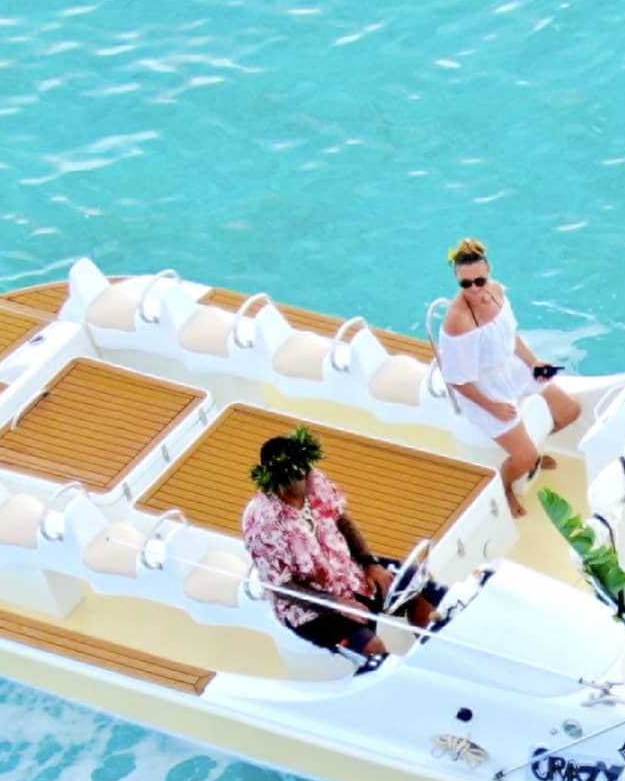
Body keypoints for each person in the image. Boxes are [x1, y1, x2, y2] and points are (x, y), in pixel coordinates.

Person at [241, 426, 444, 664]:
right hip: (309, 608)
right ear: (280, 481)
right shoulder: (263, 522)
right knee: (374, 648)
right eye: (301, 474)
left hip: (350, 573)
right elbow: (282, 586)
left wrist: (370, 563)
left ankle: (434, 654)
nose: (310, 476)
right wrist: (336, 604)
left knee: (420, 587)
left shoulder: (314, 481)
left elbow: (342, 520)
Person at [439, 236, 580, 517]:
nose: (474, 289)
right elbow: (456, 380)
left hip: (510, 368)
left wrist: (534, 362)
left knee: (569, 411)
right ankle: (504, 488)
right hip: (483, 389)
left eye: (479, 281)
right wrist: (492, 407)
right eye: (465, 284)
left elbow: (509, 336)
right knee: (524, 457)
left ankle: (532, 454)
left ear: (488, 270)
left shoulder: (497, 292)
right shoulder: (458, 320)